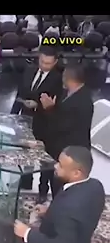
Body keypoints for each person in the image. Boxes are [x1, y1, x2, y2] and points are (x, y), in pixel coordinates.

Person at [14, 146, 105, 243]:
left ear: (76, 173)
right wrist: (50, 212)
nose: (56, 166)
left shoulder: (68, 207)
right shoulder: (96, 186)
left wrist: (27, 233)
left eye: (61, 165)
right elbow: (79, 217)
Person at [11, 48, 63, 198]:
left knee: (44, 157)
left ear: (55, 62)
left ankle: (43, 188)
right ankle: (26, 180)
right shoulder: (29, 70)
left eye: (48, 63)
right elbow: (20, 93)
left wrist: (38, 105)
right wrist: (13, 116)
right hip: (25, 119)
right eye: (42, 61)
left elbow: (57, 104)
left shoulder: (58, 79)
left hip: (44, 123)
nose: (44, 66)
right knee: (25, 151)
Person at [39, 63, 94, 200]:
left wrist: (49, 109)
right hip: (55, 146)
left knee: (60, 185)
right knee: (49, 175)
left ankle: (59, 205)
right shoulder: (66, 93)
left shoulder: (83, 101)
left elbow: (62, 125)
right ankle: (44, 195)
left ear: (68, 78)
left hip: (70, 150)